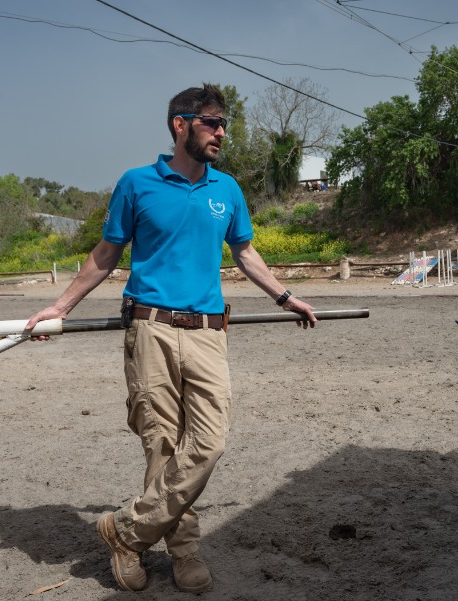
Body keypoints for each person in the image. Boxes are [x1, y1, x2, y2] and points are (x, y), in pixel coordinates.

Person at [25, 83, 317, 593]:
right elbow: (105, 255)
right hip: (151, 327)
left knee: (209, 441)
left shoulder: (226, 190)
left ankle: (126, 532)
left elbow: (245, 254)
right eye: (212, 122)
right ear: (180, 125)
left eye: (223, 123)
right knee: (161, 447)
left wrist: (285, 296)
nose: (221, 132)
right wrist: (59, 307)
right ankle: (183, 553)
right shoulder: (136, 184)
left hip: (207, 331)